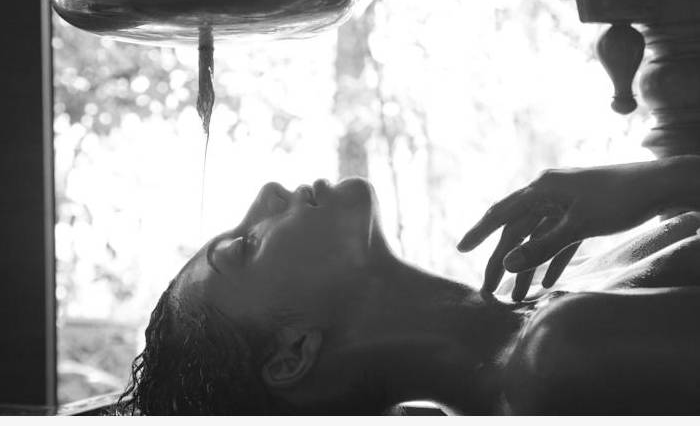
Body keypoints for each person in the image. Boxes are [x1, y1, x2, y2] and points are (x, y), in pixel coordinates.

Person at [119, 155, 700, 415]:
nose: (266, 194)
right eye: (244, 246)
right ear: (293, 352)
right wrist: (659, 181)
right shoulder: (554, 362)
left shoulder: (541, 309)